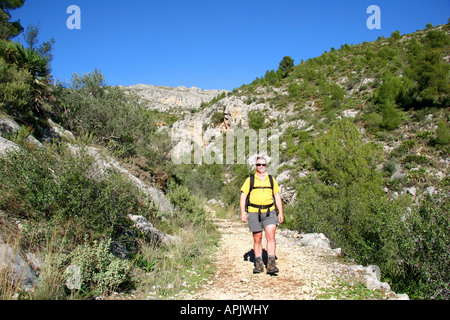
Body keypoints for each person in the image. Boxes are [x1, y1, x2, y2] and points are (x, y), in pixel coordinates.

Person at [240, 156, 284, 274]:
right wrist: (243, 212)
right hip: (254, 212)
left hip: (270, 211)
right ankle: (258, 263)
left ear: (266, 166)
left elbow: (277, 196)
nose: (261, 167)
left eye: (263, 165)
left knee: (270, 236)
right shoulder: (250, 179)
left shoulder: (271, 179)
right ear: (256, 166)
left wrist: (280, 212)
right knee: (257, 238)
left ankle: (271, 263)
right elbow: (243, 196)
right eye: (259, 164)